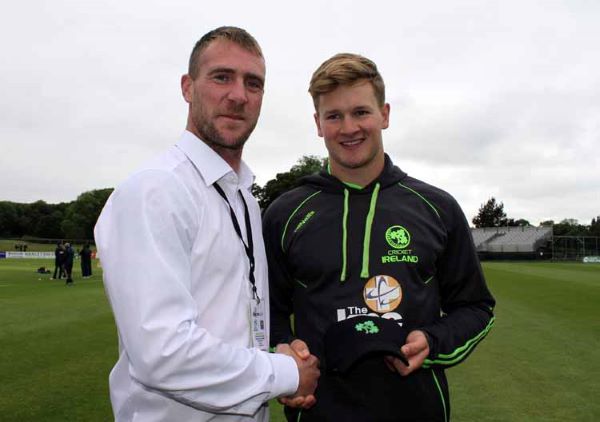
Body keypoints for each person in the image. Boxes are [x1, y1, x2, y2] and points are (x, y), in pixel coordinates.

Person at [94, 27, 319, 422]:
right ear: (187, 86)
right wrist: (284, 374)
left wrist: (275, 358)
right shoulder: (156, 189)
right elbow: (163, 352)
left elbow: (236, 323)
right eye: (221, 77)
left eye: (254, 83)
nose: (238, 95)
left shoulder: (244, 197)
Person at [263, 53, 496, 421]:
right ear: (318, 124)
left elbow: (476, 308)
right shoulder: (284, 213)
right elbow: (266, 313)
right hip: (320, 412)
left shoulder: (437, 208)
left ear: (384, 114)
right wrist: (283, 353)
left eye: (361, 112)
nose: (348, 127)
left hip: (417, 410)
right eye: (334, 116)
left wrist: (432, 343)